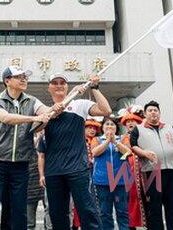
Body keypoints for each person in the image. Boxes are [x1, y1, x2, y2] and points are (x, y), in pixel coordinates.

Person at [0, 66, 50, 230]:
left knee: (18, 209)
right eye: (19, 76)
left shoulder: (32, 100)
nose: (24, 79)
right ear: (7, 81)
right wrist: (35, 117)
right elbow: (7, 118)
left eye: (25, 76)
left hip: (21, 163)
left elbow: (46, 111)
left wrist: (55, 108)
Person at [37, 73, 110, 230]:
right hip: (53, 172)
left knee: (88, 211)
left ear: (67, 86)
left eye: (62, 83)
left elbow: (106, 110)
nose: (59, 85)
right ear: (48, 87)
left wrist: (94, 87)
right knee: (57, 215)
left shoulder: (80, 105)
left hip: (78, 169)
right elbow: (34, 129)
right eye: (54, 83)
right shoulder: (44, 111)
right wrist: (53, 111)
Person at [130, 101, 173, 230]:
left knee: (172, 206)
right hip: (152, 172)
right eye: (150, 110)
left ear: (159, 113)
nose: (153, 112)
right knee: (154, 207)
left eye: (155, 110)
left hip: (171, 171)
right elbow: (133, 146)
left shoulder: (170, 127)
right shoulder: (138, 129)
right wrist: (144, 153)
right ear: (145, 114)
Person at [91, 117, 131, 230]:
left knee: (122, 211)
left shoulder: (123, 138)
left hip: (121, 181)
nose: (109, 126)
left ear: (116, 127)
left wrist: (115, 142)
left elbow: (128, 152)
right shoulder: (96, 140)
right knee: (104, 212)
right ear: (102, 127)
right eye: (107, 124)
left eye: (112, 124)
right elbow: (95, 152)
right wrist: (108, 141)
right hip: (102, 182)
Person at [119, 109, 146, 230]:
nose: (130, 123)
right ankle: (131, 226)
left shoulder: (144, 136)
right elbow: (121, 155)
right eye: (128, 121)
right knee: (130, 201)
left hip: (144, 172)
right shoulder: (122, 139)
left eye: (133, 121)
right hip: (128, 174)